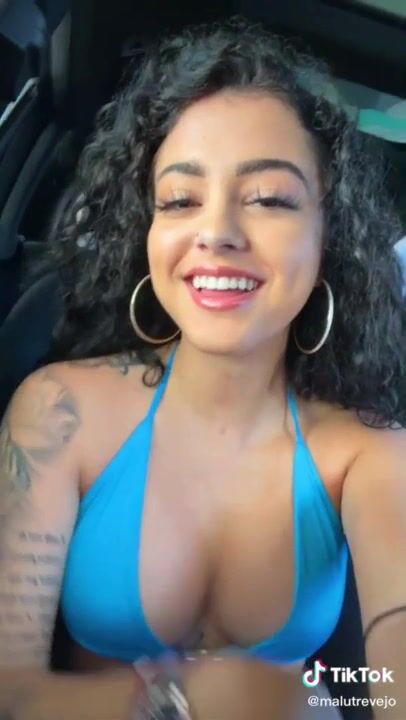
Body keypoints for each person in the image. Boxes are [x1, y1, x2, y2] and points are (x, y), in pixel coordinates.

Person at [1, 17, 405, 720]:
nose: (216, 233)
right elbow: (8, 691)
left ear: (328, 236)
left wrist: (317, 697)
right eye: (181, 200)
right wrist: (181, 700)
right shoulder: (59, 411)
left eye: (270, 199)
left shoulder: (368, 451)